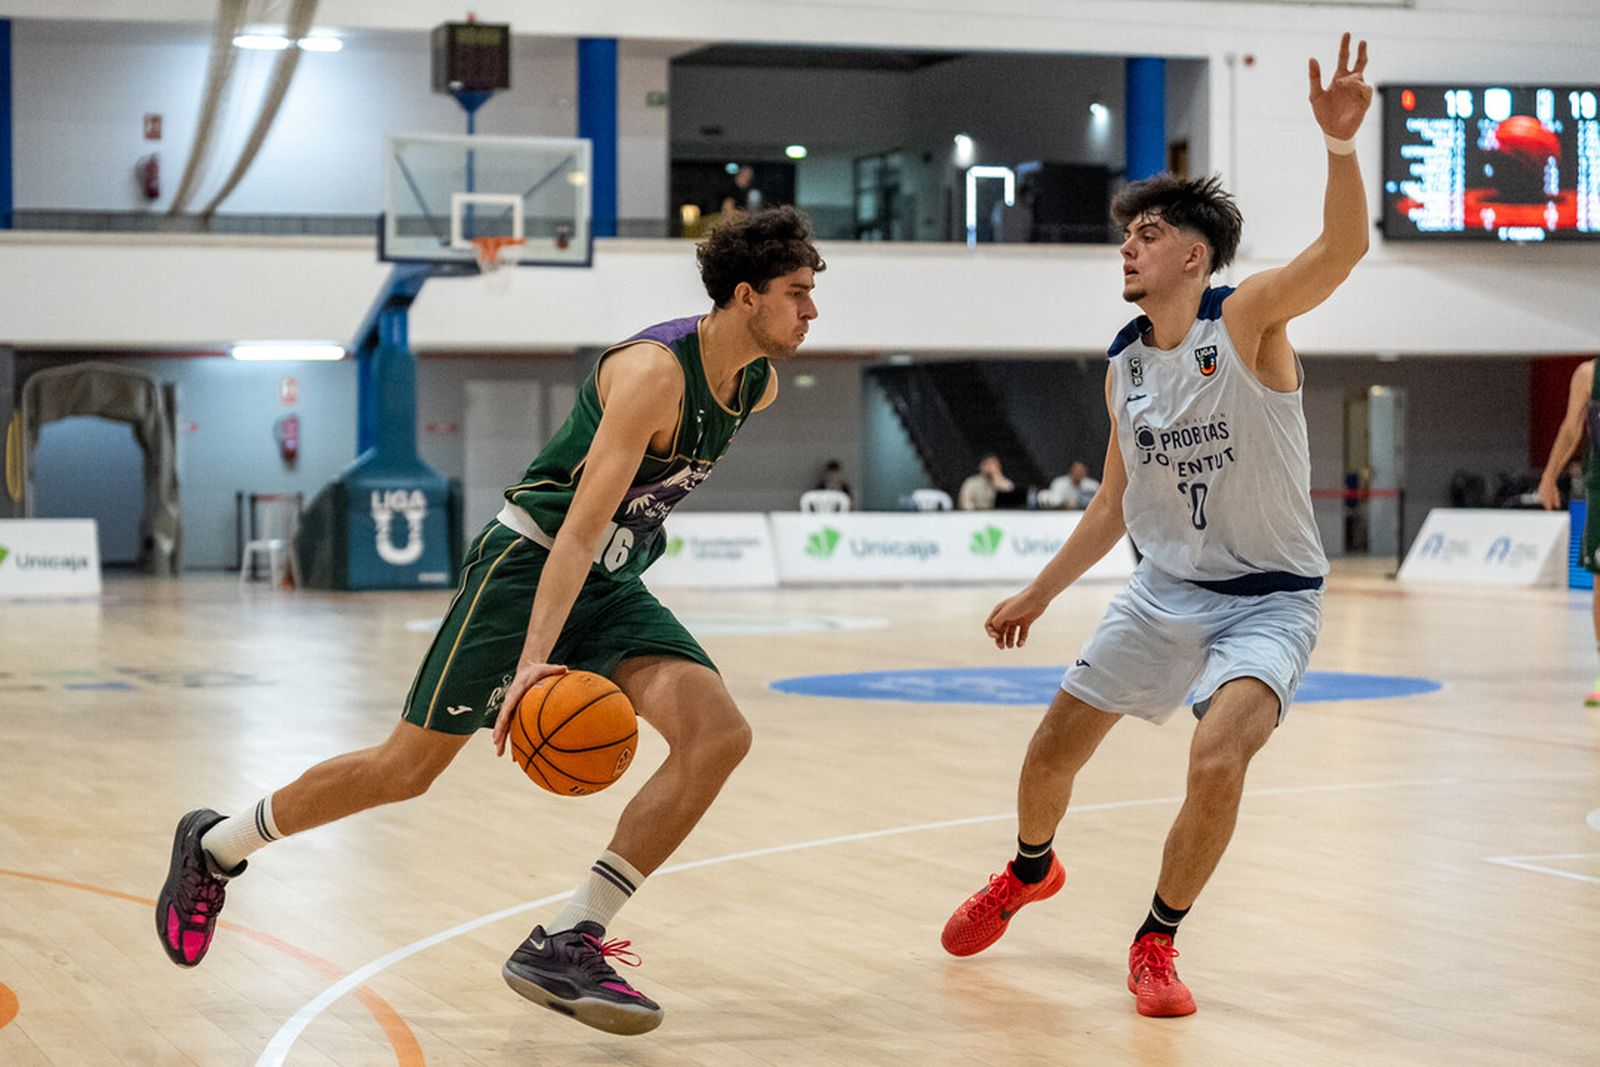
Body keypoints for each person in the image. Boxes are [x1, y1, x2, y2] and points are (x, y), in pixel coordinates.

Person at [155, 207, 824, 1036]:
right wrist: (538, 660)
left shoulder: (751, 382)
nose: (812, 311)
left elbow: (624, 524)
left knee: (719, 734)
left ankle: (571, 934)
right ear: (747, 294)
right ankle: (216, 843)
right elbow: (576, 527)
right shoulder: (656, 373)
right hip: (527, 568)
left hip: (610, 583)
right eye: (799, 293)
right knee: (405, 769)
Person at [940, 34, 1372, 1019]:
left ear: (1193, 252)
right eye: (1122, 235)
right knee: (1052, 750)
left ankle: (1155, 938)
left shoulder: (1249, 318)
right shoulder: (1124, 363)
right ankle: (1028, 869)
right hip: (1163, 590)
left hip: (1269, 600)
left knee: (1216, 757)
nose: (1125, 246)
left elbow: (1340, 252)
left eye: (1144, 233)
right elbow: (1112, 502)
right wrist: (1039, 592)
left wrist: (1341, 148)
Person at [1536, 357, 1600, 705]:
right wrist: (1549, 476)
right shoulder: (1589, 374)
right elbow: (1571, 429)